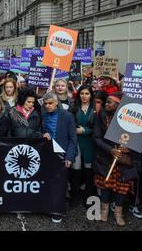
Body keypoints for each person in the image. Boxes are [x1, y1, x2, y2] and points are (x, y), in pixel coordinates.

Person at [93, 92, 140, 227]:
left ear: (119, 105)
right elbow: (96, 138)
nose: (106, 104)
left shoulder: (132, 119)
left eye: (109, 102)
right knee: (105, 185)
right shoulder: (101, 116)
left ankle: (118, 214)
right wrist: (110, 150)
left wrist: (130, 148)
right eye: (106, 101)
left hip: (124, 161)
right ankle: (104, 212)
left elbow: (140, 139)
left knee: (121, 188)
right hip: (106, 158)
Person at [41, 92, 77, 223]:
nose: (48, 106)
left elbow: (73, 139)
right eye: (45, 104)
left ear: (56, 102)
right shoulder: (44, 115)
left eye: (50, 103)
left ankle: (57, 211)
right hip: (47, 153)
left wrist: (69, 156)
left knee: (60, 185)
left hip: (62, 154)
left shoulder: (67, 116)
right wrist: (43, 133)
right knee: (48, 182)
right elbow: (42, 130)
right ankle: (48, 206)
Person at [71, 86, 96, 207]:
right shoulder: (74, 108)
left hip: (89, 143)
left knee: (88, 171)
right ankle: (75, 197)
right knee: (76, 170)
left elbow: (97, 128)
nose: (84, 96)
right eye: (82, 93)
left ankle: (88, 197)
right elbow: (70, 124)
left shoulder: (95, 109)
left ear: (91, 95)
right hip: (76, 141)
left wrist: (85, 131)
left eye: (87, 93)